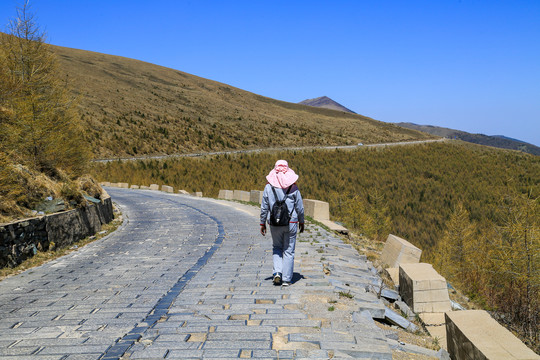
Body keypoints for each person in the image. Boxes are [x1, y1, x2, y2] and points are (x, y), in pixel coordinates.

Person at [260, 160, 304, 286]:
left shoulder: (268, 187)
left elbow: (264, 207)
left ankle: (277, 272)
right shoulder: (293, 187)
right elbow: (300, 207)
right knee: (289, 250)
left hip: (274, 223)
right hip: (292, 222)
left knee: (277, 247)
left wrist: (262, 223)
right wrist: (302, 221)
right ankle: (286, 279)